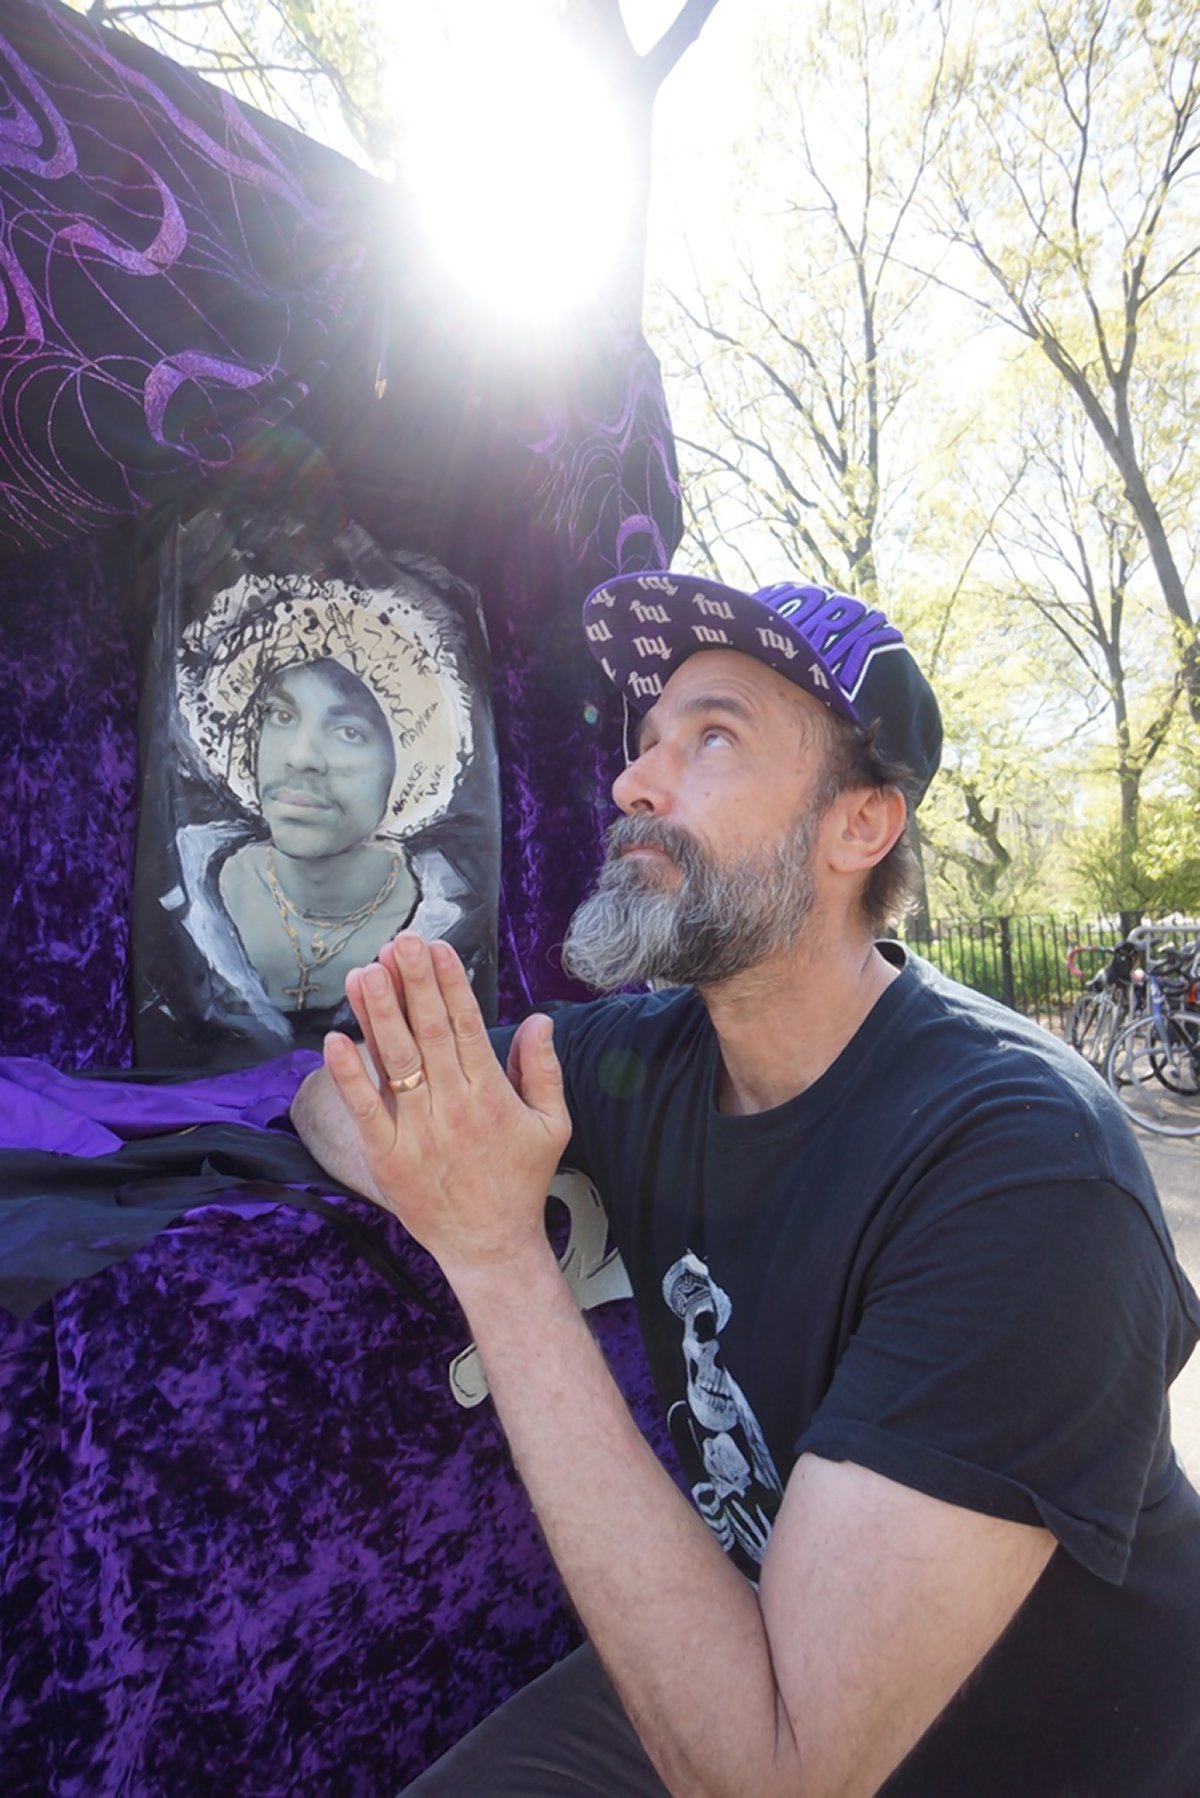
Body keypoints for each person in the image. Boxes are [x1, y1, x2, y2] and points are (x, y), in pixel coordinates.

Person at [292, 573, 1200, 1796]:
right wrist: (416, 1140)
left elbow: (776, 1774)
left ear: (858, 826)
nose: (633, 783)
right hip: (755, 1648)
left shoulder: (1026, 1166)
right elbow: (344, 1090)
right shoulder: (647, 1056)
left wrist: (495, 1252)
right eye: (648, 739)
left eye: (711, 736)